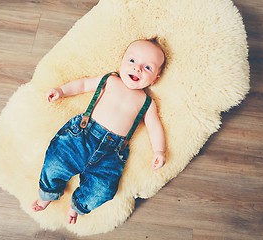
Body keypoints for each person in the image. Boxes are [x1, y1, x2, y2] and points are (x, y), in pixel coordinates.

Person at [32, 37, 167, 224]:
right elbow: (83, 85)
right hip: (81, 136)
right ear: (121, 61)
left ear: (155, 79)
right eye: (132, 61)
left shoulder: (146, 102)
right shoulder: (110, 80)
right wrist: (61, 91)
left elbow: (154, 126)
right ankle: (47, 193)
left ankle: (78, 206)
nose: (137, 68)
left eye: (148, 68)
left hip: (112, 154)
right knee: (56, 161)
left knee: (104, 189)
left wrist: (159, 150)